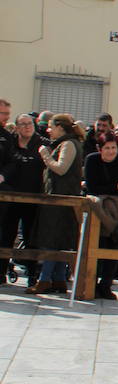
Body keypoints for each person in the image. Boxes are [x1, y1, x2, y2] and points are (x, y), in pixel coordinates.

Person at [27, 114, 84, 294]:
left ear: (60, 127)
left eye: (51, 126)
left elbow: (61, 168)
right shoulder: (68, 143)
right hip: (59, 199)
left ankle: (44, 280)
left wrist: (45, 154)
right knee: (60, 241)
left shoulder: (68, 144)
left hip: (61, 200)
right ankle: (58, 280)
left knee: (52, 241)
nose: (48, 130)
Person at [83, 131, 118, 300]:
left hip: (116, 211)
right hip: (97, 209)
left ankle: (106, 285)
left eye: (114, 147)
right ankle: (91, 283)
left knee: (114, 247)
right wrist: (116, 186)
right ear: (100, 149)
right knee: (95, 245)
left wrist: (114, 188)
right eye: (107, 148)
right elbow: (92, 187)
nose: (111, 151)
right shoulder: (92, 160)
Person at [1, 113, 44, 287]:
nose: (27, 127)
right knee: (6, 235)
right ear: (17, 126)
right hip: (10, 196)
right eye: (23, 124)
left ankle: (32, 275)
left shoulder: (42, 144)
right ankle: (1, 272)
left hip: (33, 198)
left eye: (30, 124)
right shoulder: (9, 142)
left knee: (30, 237)